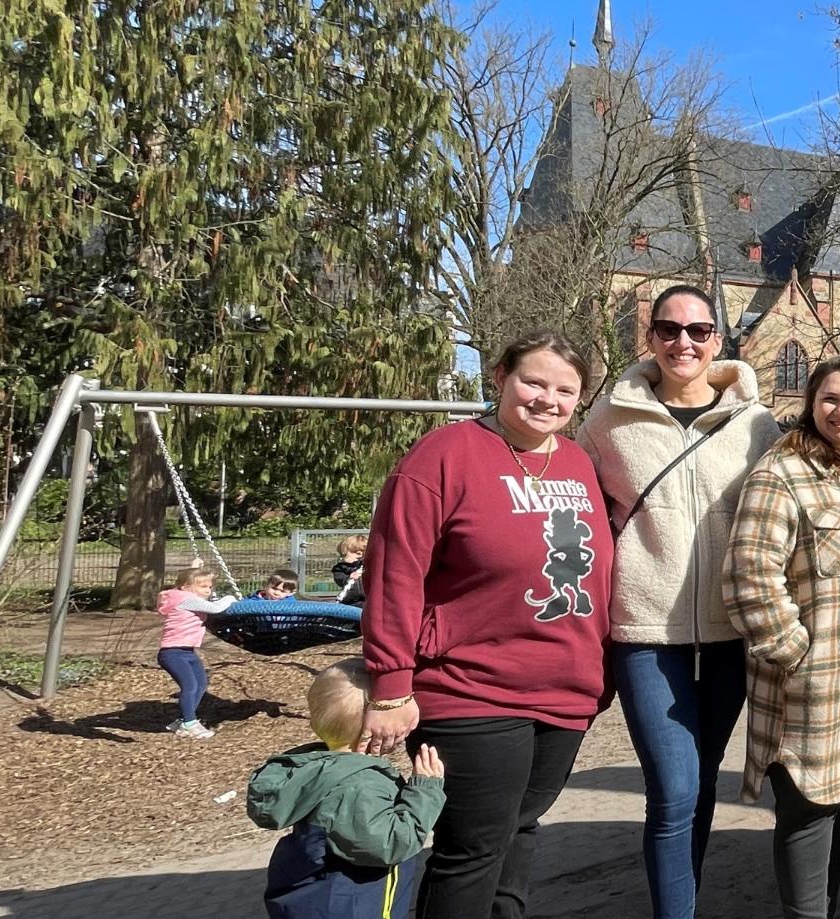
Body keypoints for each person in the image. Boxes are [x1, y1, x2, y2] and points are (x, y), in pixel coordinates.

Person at [357, 330, 614, 919]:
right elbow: (396, 574)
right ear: (500, 377)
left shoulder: (576, 463)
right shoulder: (445, 455)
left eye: (565, 390)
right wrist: (391, 683)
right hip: (470, 688)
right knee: (471, 850)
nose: (548, 400)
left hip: (564, 691)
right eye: (534, 382)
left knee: (519, 833)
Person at [580, 284, 781, 919]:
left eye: (697, 331)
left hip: (728, 634)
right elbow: (568, 497)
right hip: (644, 633)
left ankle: (682, 900)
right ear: (651, 338)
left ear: (717, 339)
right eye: (669, 329)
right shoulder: (609, 420)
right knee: (673, 790)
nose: (683, 342)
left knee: (695, 790)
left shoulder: (756, 424)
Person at [724, 357, 840, 919]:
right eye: (829, 399)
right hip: (812, 686)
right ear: (811, 405)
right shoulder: (780, 472)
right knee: (807, 814)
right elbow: (749, 575)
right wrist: (795, 653)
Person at [248, 659, 446, 919]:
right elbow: (391, 844)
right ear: (378, 722)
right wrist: (425, 790)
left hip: (314, 900)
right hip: (355, 906)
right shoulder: (358, 786)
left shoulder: (315, 770)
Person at [157, 566, 237, 739]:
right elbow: (216, 608)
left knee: (200, 685)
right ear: (185, 586)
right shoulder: (185, 599)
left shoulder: (186, 596)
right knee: (190, 686)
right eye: (203, 586)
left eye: (209, 587)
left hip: (187, 652)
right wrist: (230, 597)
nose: (208, 590)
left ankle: (184, 720)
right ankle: (190, 723)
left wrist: (195, 565)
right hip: (172, 653)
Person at [333, 536, 368, 608]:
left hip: (366, 596)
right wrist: (349, 577)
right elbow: (339, 578)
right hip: (351, 598)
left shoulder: (364, 565)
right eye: (342, 555)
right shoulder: (341, 567)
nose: (342, 558)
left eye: (345, 555)